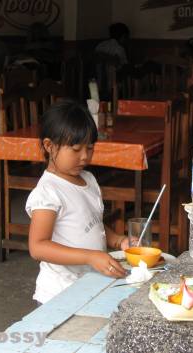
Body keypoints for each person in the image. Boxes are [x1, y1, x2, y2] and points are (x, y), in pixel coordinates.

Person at [26, 100, 129, 304]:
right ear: (49, 146)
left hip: (90, 287)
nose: (84, 156)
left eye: (90, 148)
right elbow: (38, 247)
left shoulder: (88, 179)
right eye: (75, 149)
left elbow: (90, 223)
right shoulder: (48, 191)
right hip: (58, 294)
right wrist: (90, 256)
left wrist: (118, 240)